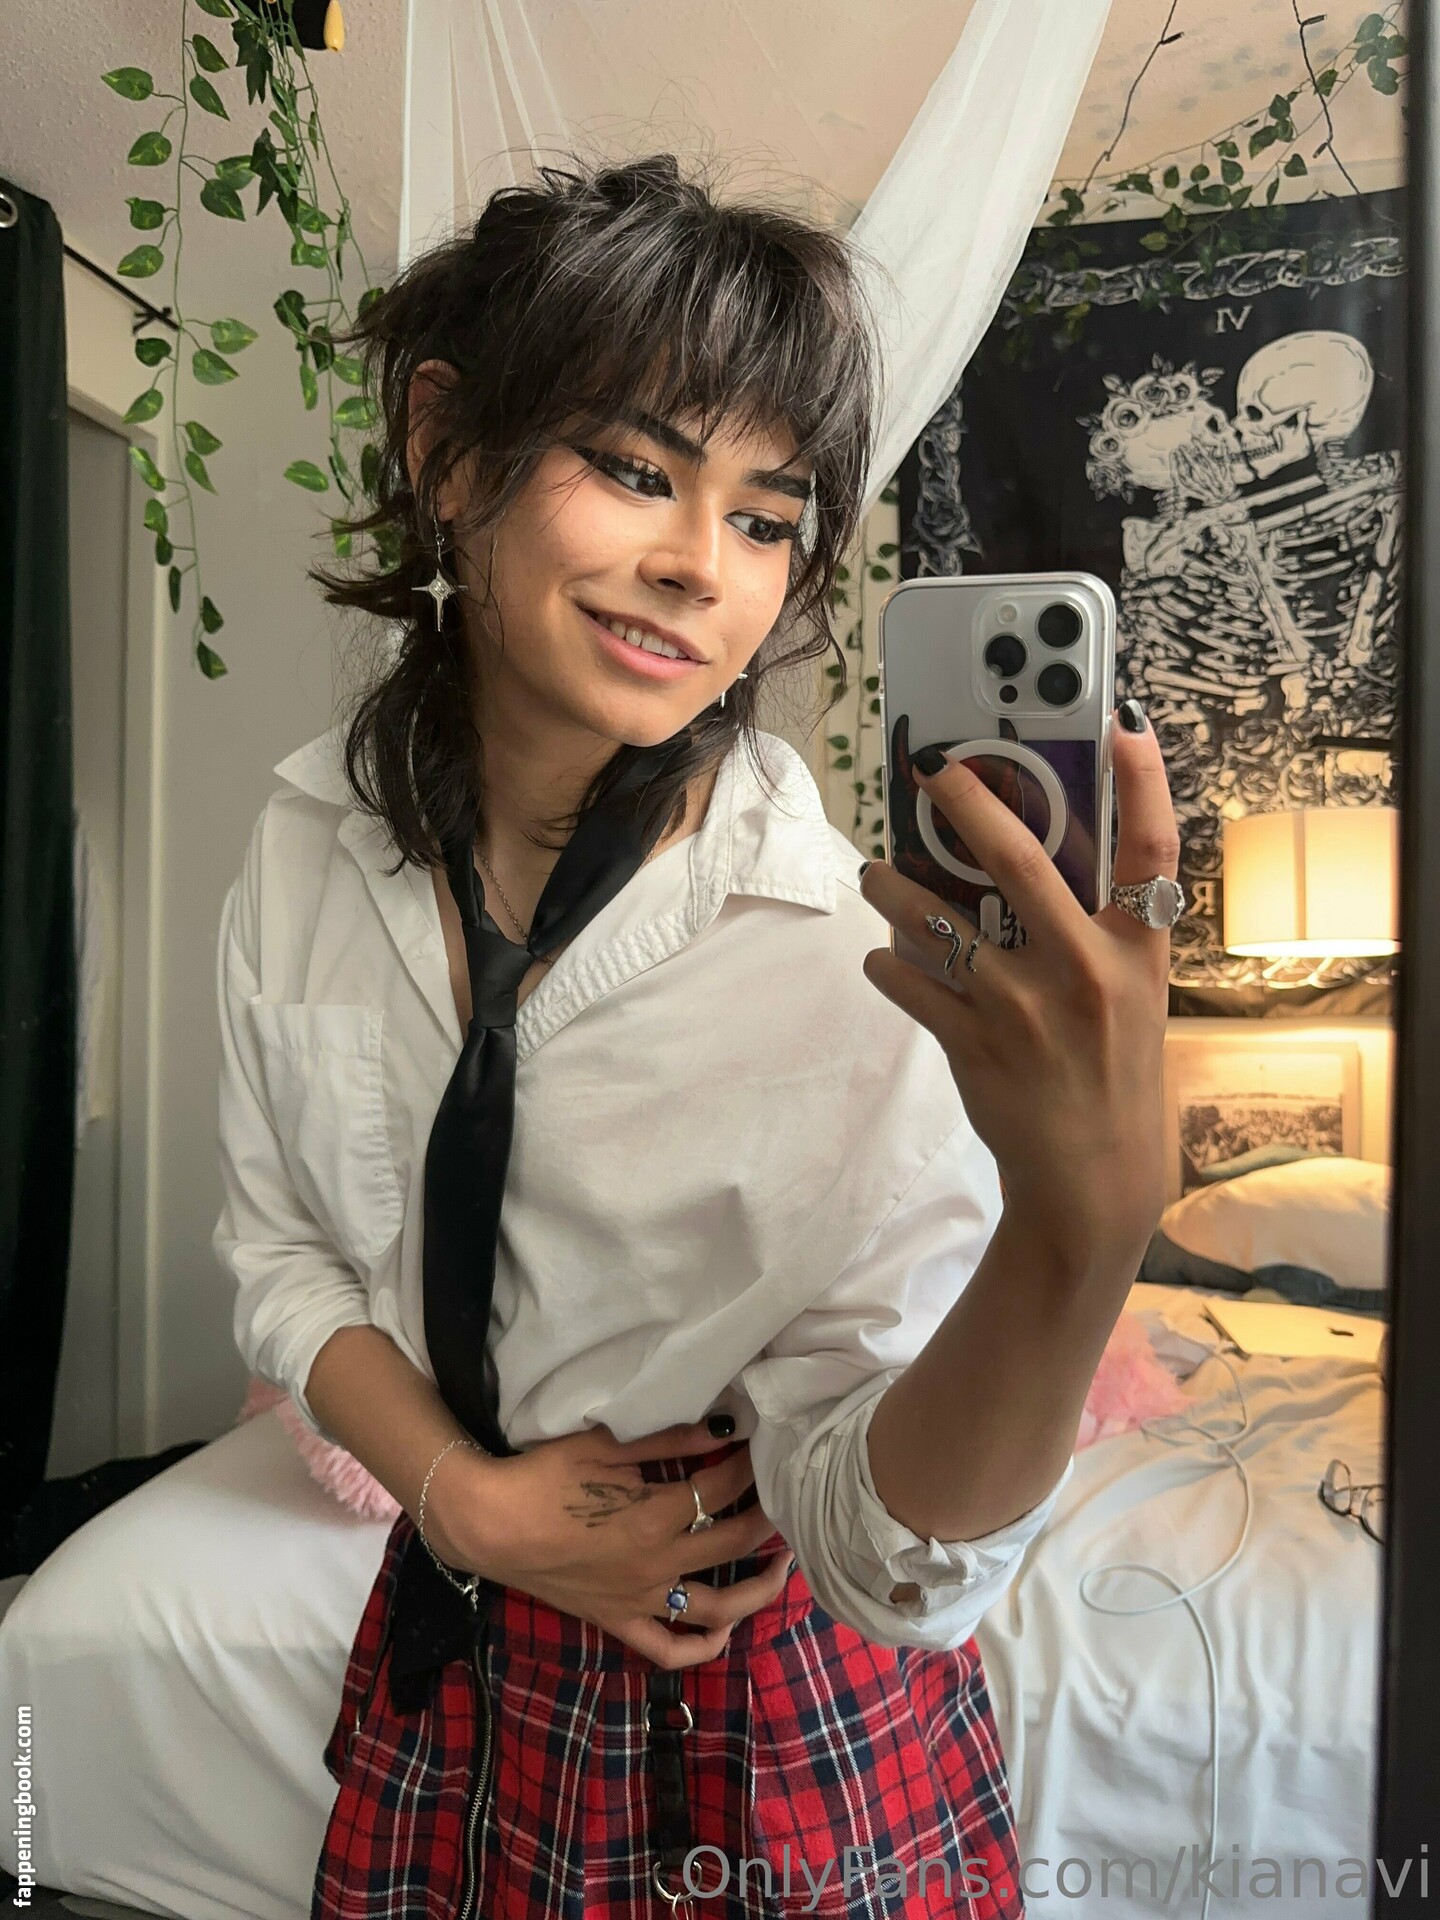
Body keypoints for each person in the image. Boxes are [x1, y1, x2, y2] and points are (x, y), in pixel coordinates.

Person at [212, 150, 1178, 1920]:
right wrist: (462, 1501)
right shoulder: (302, 851)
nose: (696, 570)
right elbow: (282, 1254)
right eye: (637, 470)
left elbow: (897, 1563)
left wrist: (1082, 1230)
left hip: (751, 1706)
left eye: (764, 517)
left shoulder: (843, 954)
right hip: (450, 1639)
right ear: (446, 446)